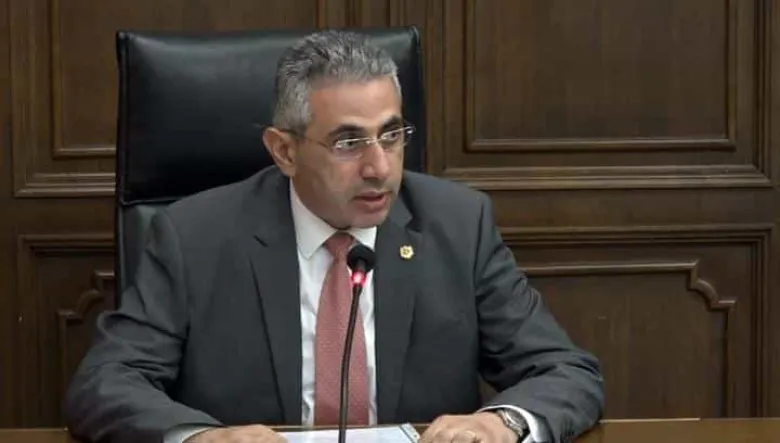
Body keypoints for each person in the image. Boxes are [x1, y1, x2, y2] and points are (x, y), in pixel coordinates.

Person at [64, 30, 604, 443]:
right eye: (349, 142)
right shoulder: (194, 236)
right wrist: (202, 437)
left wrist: (504, 421)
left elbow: (565, 371)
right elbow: (106, 383)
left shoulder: (458, 225)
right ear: (284, 151)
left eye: (391, 135)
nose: (379, 167)